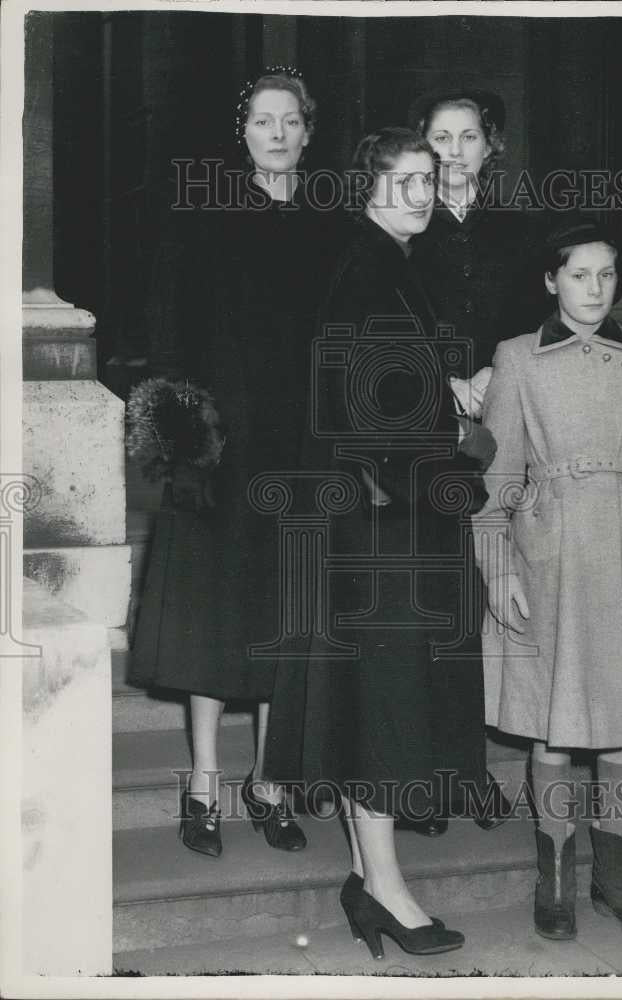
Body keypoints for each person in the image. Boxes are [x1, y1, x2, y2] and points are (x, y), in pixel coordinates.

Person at [473, 216, 622, 941]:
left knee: (620, 733)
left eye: (607, 274)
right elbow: (494, 481)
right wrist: (499, 566)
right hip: (548, 560)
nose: (595, 288)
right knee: (551, 730)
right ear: (551, 282)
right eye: (579, 274)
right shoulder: (517, 357)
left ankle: (617, 878)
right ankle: (554, 880)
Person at [129, 68, 341, 857]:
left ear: (308, 131)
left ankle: (270, 783)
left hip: (300, 452)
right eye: (263, 121)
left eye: (291, 121)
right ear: (243, 131)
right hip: (222, 450)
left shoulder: (331, 223)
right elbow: (169, 336)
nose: (278, 133)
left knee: (286, 619)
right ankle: (204, 785)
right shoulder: (201, 215)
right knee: (215, 622)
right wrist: (185, 445)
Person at [301, 127, 497, 959]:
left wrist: (436, 391)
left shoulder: (385, 264)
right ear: (367, 185)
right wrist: (458, 433)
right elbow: (365, 404)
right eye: (406, 180)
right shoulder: (369, 267)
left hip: (386, 511)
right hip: (384, 521)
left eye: (430, 179)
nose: (423, 193)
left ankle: (366, 876)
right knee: (384, 706)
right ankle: (384, 886)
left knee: (378, 701)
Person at [409, 84, 545, 372]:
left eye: (469, 137)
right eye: (442, 138)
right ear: (422, 147)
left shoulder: (523, 232)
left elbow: (534, 323)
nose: (456, 151)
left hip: (505, 391)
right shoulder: (403, 231)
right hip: (426, 397)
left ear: (488, 146)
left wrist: (497, 375)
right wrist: (447, 387)